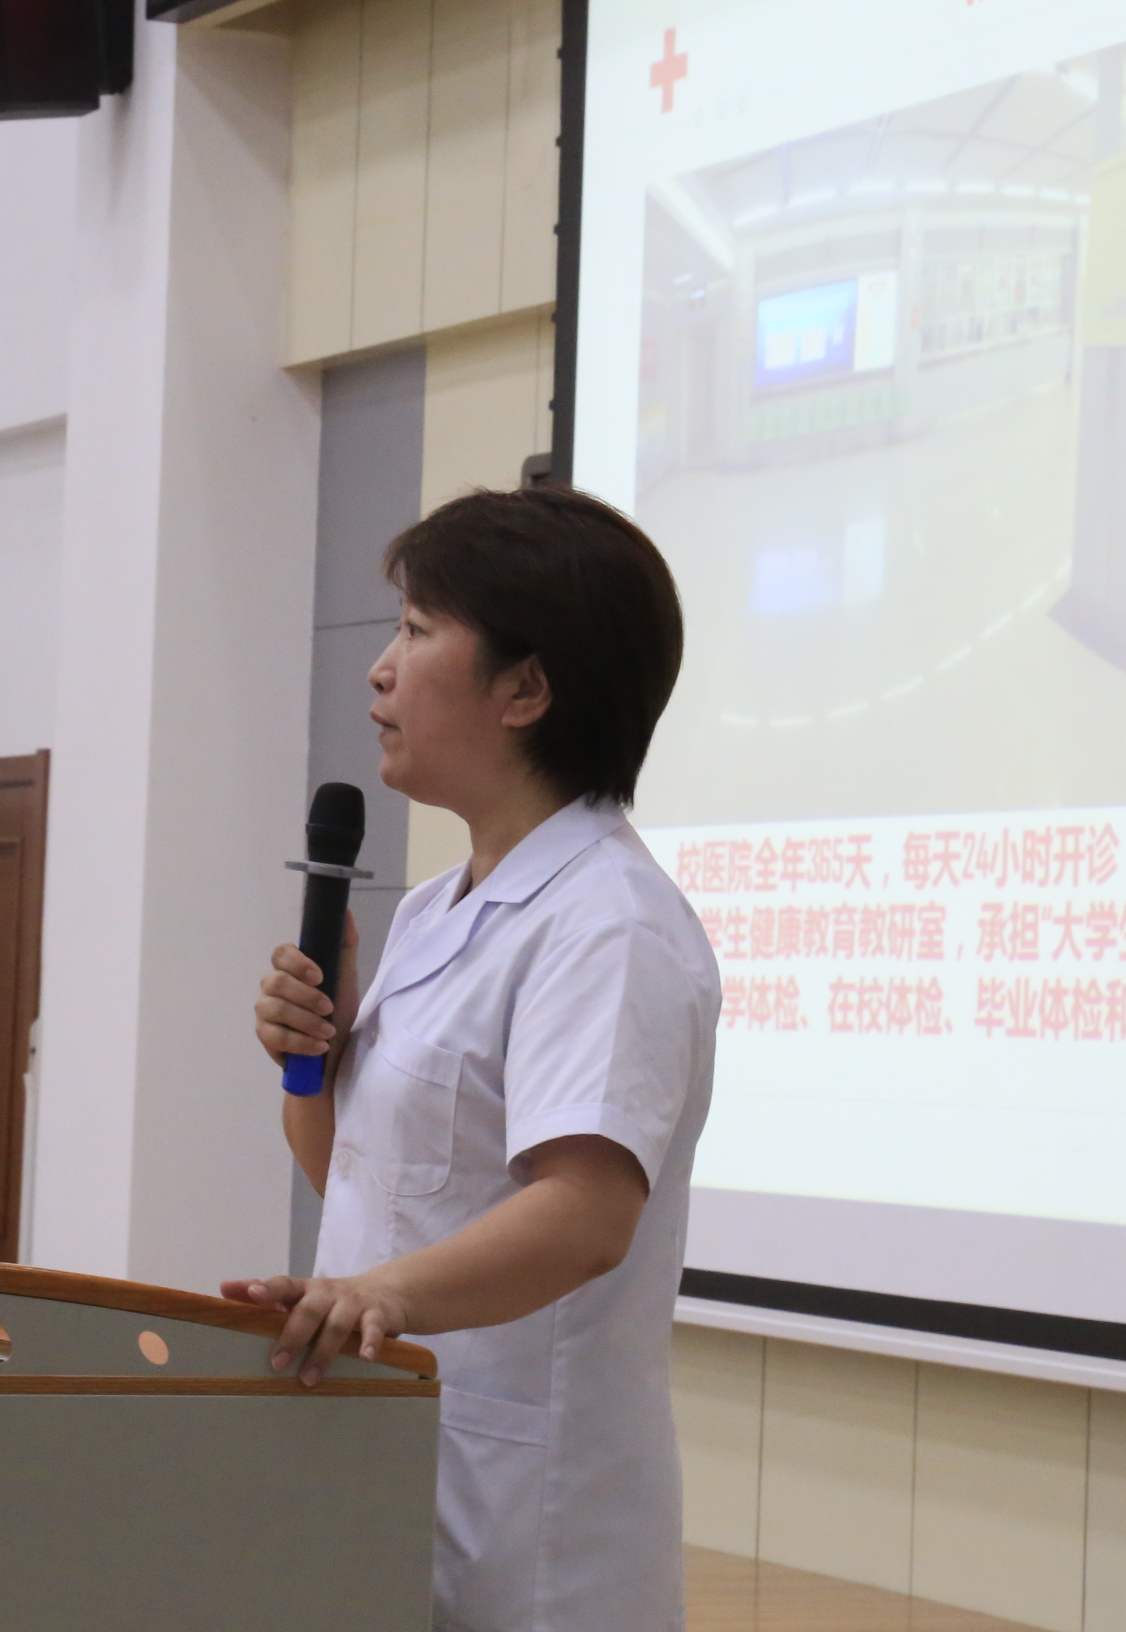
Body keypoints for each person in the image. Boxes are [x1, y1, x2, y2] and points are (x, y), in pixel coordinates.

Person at [227, 486, 720, 1632]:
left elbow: (587, 1216)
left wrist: (380, 1295)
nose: (378, 671)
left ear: (526, 690)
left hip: (529, 1527)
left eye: (415, 629)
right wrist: (315, 1063)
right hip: (397, 1464)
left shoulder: (608, 922)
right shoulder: (435, 909)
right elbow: (364, 1185)